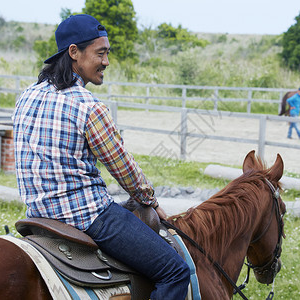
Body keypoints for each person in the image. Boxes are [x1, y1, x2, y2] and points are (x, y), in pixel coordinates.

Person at [12, 14, 189, 299]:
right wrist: (149, 201)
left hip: (37, 214)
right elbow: (123, 168)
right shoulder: (88, 106)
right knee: (175, 271)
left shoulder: (26, 96)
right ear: (74, 52)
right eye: (101, 53)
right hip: (87, 216)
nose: (106, 61)